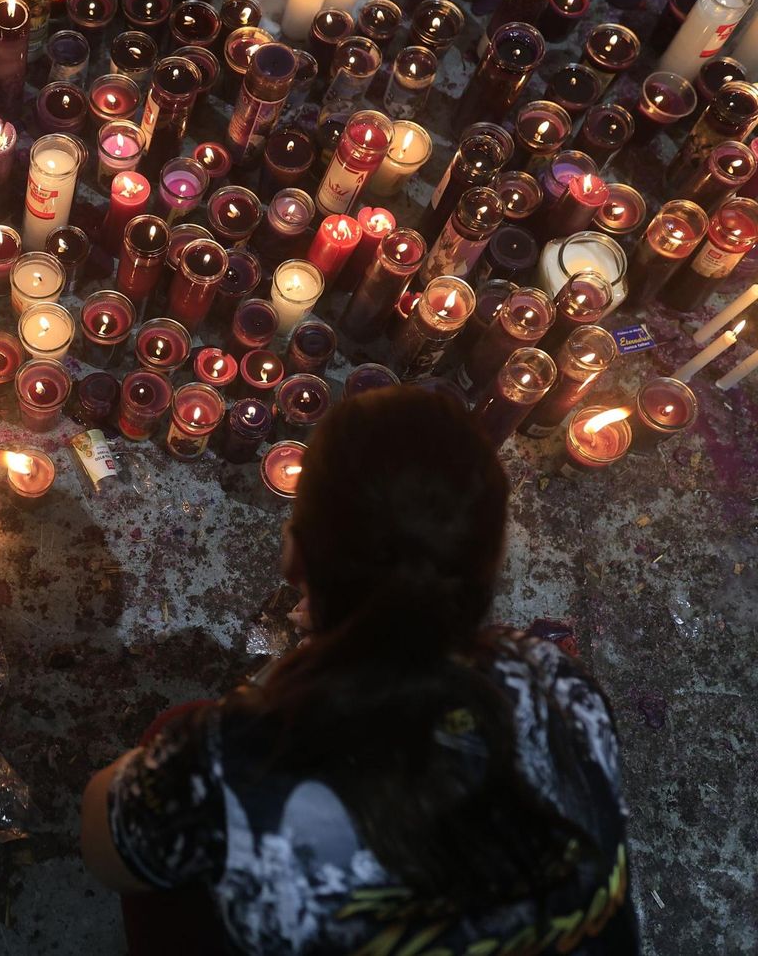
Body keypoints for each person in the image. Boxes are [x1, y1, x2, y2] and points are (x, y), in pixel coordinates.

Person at [80, 387, 637, 953]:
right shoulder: (557, 683)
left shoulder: (245, 758)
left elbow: (105, 844)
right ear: (489, 562)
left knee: (170, 732)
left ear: (295, 553)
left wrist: (203, 741)